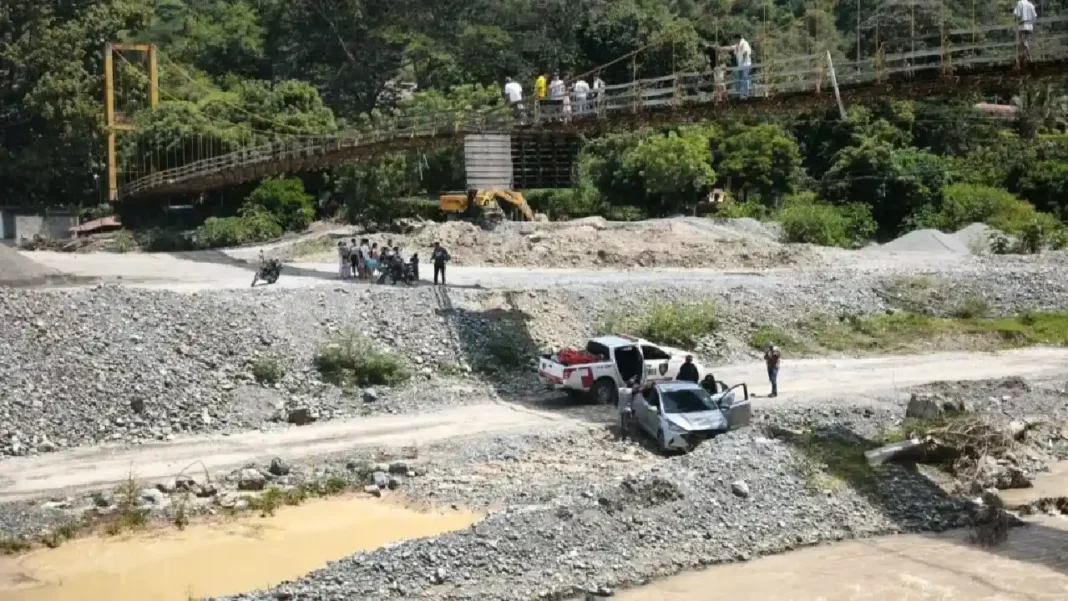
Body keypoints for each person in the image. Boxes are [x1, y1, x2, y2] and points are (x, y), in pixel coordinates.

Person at [723, 34, 752, 99]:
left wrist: (742, 62)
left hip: (745, 65)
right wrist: (721, 48)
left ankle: (745, 95)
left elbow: (745, 52)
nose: (734, 41)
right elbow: (730, 48)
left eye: (735, 39)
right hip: (741, 66)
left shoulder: (744, 43)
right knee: (740, 80)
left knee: (745, 80)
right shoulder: (738, 45)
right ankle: (740, 95)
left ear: (738, 38)